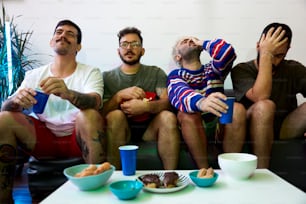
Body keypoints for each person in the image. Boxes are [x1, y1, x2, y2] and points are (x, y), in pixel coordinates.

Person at [0, 20, 106, 203]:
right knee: (4, 118)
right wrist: (16, 102)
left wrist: (68, 93)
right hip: (43, 138)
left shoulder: (91, 72)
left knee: (89, 114)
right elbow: (5, 108)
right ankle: (4, 199)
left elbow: (95, 102)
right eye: (59, 32)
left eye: (70, 34)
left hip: (76, 137)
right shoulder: (34, 75)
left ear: (78, 46)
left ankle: (95, 196)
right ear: (51, 41)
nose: (63, 35)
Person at [101, 27, 180, 170]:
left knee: (167, 116)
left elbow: (168, 103)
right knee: (115, 115)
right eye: (124, 44)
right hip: (121, 131)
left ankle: (170, 177)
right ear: (118, 51)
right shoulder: (106, 77)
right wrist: (118, 96)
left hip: (150, 131)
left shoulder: (155, 73)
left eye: (135, 44)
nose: (129, 48)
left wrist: (146, 107)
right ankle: (116, 179)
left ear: (142, 51)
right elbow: (100, 113)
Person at [231, 22, 306, 168]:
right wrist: (266, 55)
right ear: (258, 46)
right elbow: (260, 97)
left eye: (279, 55)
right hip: (254, 126)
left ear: (287, 50)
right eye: (269, 53)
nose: (274, 61)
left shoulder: (294, 69)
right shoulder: (241, 70)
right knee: (265, 106)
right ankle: (262, 171)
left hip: (284, 127)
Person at [167, 37, 246, 168]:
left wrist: (202, 44)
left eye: (192, 39)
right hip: (193, 128)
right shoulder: (176, 75)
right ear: (178, 57)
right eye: (183, 41)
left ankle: (232, 168)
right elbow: (180, 92)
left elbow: (228, 52)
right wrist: (201, 102)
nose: (189, 41)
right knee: (186, 115)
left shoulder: (213, 70)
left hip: (218, 125)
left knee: (238, 109)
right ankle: (204, 171)